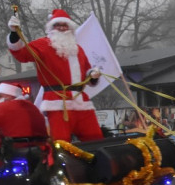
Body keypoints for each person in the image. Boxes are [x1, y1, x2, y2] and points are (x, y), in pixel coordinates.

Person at [6, 8, 103, 143]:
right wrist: (14, 33)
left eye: (65, 25)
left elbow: (87, 74)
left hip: (81, 102)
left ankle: (94, 163)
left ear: (70, 28)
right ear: (52, 27)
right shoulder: (43, 45)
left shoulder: (77, 49)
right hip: (57, 102)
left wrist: (93, 76)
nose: (62, 28)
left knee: (95, 138)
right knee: (61, 142)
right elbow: (22, 54)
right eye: (58, 25)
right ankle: (59, 164)